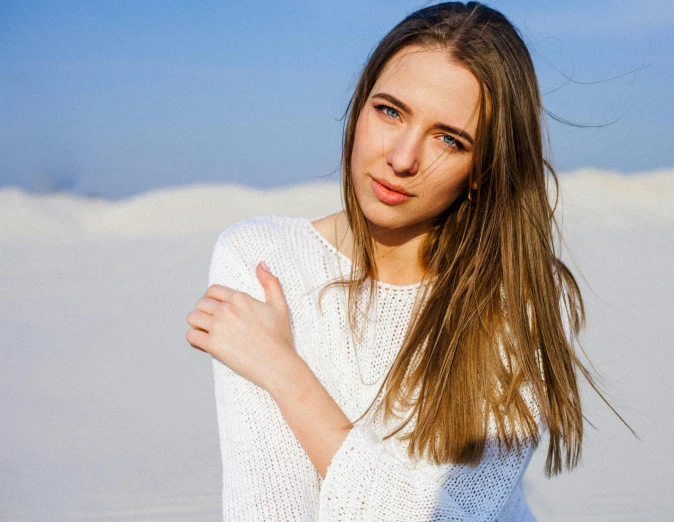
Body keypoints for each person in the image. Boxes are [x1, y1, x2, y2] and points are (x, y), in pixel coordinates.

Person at [186, 2, 615, 520]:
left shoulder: (514, 299)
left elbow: (449, 517)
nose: (403, 158)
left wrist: (284, 370)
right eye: (389, 111)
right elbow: (270, 507)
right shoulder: (263, 262)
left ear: (483, 169)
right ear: (359, 104)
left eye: (449, 139)